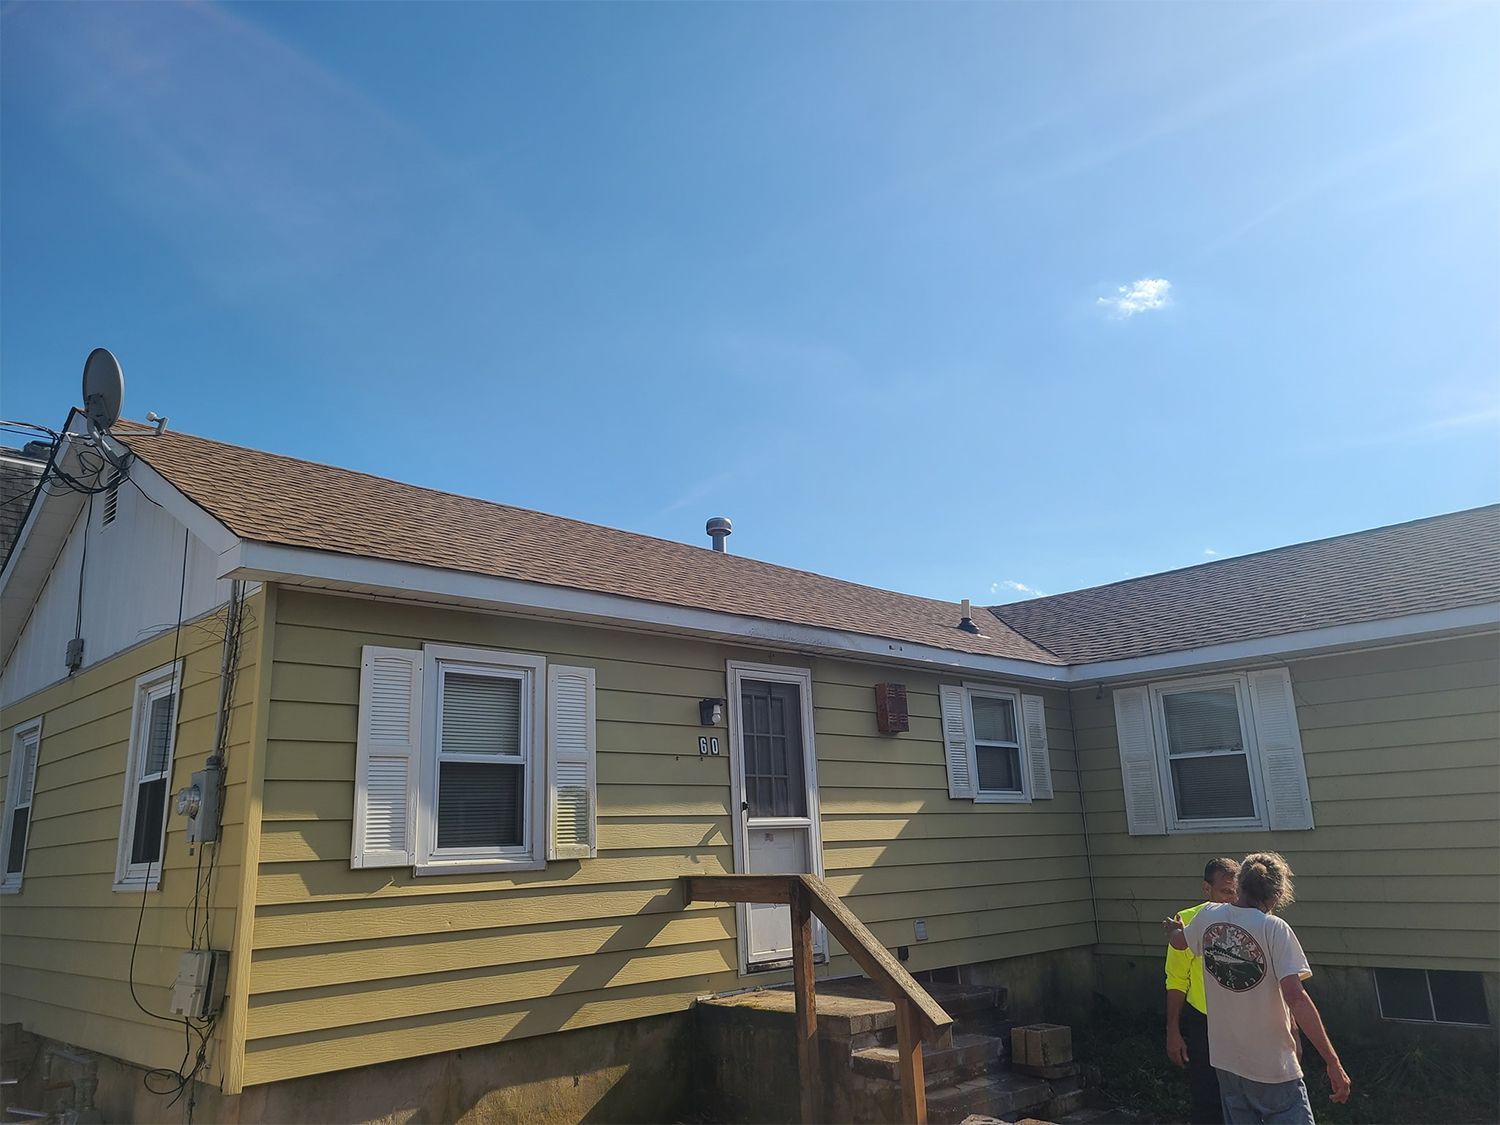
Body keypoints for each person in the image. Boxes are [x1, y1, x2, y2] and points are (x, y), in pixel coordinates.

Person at [1164, 852, 1351, 1125]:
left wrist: (1172, 929)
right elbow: (1296, 998)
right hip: (1272, 1067)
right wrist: (1332, 1062)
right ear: (1276, 895)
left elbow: (1179, 941)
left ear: (1238, 884)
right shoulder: (1274, 929)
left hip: (1227, 1064)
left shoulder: (1207, 917)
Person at [1166, 857, 1241, 1123]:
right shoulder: (1186, 921)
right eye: (1225, 892)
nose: (1231, 899)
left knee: (1245, 1095)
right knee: (1207, 1097)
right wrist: (1173, 1031)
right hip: (1204, 1021)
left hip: (1244, 1021)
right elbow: (1176, 980)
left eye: (1236, 892)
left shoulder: (1248, 920)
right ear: (1206, 889)